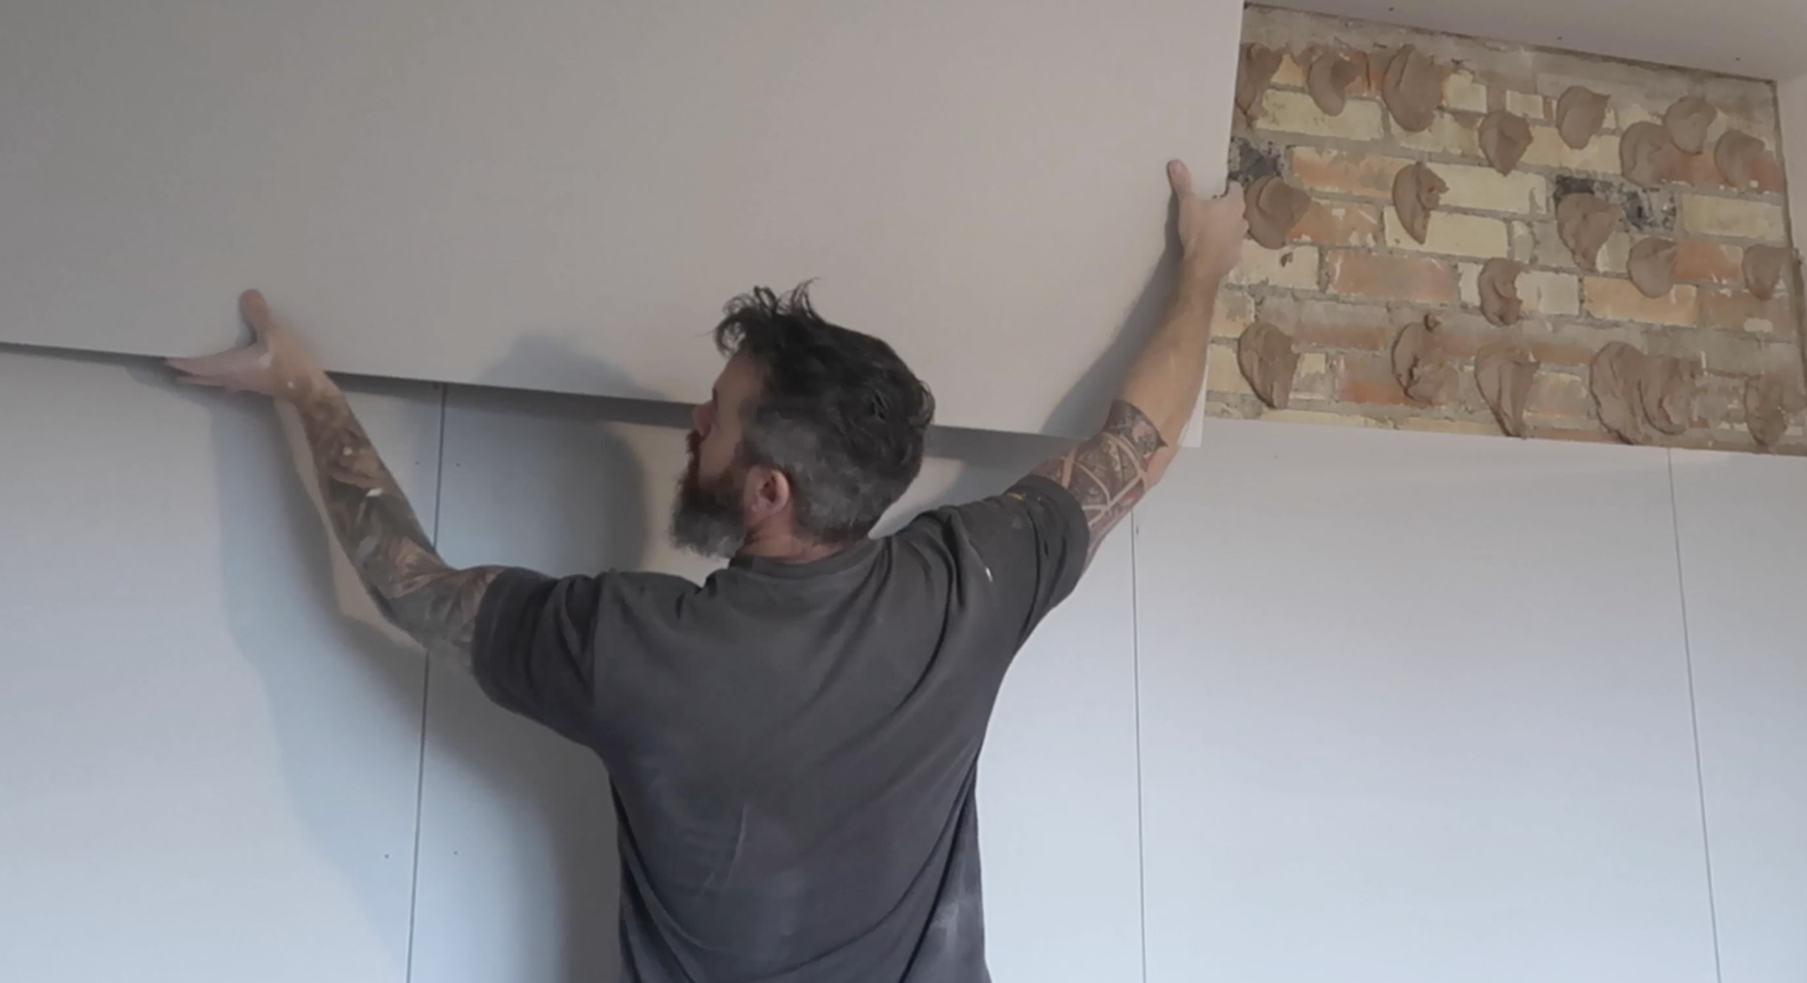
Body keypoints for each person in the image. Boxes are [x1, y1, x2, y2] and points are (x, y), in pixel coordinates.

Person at [167, 159, 1246, 982]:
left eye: (717, 418)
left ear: (768, 490)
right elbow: (1133, 451)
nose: (696, 423)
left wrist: (306, 388)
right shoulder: (970, 585)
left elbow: (406, 582)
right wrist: (1203, 266)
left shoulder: (626, 648)